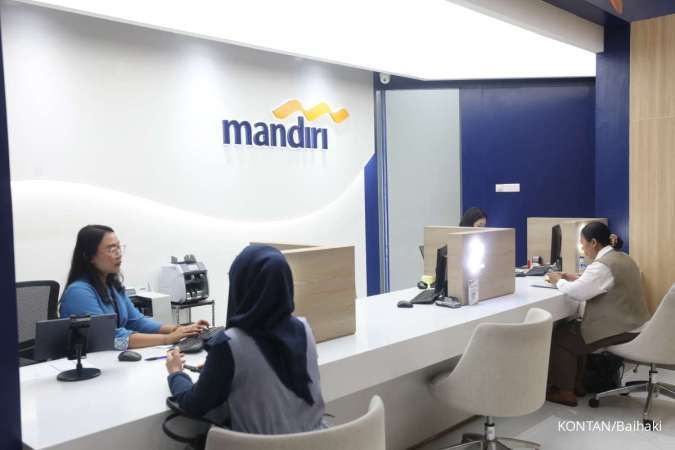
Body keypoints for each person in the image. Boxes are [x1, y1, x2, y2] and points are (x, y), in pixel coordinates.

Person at [165, 245, 326, 434]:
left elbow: (194, 404)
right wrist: (220, 368)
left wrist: (176, 373)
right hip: (319, 441)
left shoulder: (230, 344)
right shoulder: (305, 329)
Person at [545, 222, 650, 406]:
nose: (583, 249)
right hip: (636, 324)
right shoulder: (622, 257)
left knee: (561, 338)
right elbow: (604, 282)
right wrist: (577, 278)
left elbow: (577, 293)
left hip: (620, 329)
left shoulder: (602, 266)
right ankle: (577, 385)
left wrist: (557, 281)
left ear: (593, 243)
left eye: (583, 244)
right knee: (576, 330)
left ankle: (565, 392)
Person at [60, 224, 208, 350]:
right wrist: (167, 339)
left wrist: (178, 329)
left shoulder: (113, 287)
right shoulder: (79, 292)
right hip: (92, 366)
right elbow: (111, 338)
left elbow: (136, 321)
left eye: (119, 247)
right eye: (111, 249)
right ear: (89, 257)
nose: (119, 254)